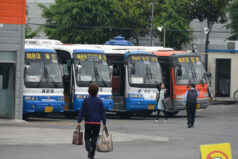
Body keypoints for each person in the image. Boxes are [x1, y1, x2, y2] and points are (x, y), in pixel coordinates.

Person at [77, 83, 106, 159]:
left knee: (87, 137)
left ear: (88, 91)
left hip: (88, 122)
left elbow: (82, 111)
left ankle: (89, 148)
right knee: (94, 138)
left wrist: (78, 121)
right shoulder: (100, 101)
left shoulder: (86, 100)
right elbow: (102, 113)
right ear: (97, 92)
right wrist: (104, 123)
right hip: (97, 123)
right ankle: (92, 155)